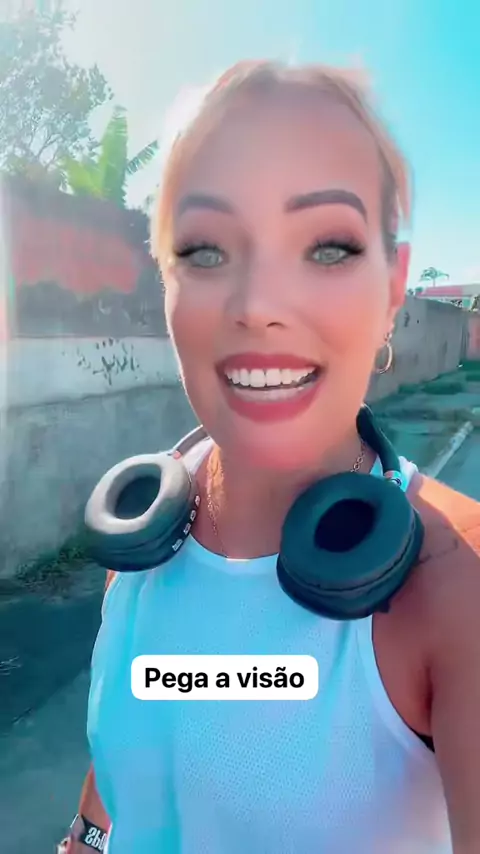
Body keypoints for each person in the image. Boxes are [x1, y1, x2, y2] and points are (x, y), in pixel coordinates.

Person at [62, 61, 480, 853]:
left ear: (395, 286)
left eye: (327, 246)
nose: (257, 305)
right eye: (205, 250)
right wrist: (85, 835)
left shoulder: (461, 584)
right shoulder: (145, 537)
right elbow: (146, 719)